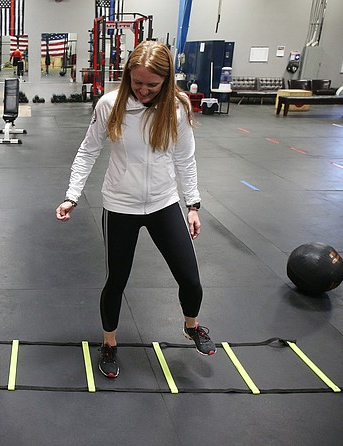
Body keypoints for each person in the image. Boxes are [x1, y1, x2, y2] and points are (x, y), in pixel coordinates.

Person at [55, 41, 215, 379]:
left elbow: (185, 159)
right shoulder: (110, 105)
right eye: (137, 82)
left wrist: (193, 204)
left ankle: (191, 325)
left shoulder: (178, 107)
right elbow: (88, 152)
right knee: (117, 280)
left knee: (190, 278)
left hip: (163, 203)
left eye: (152, 85)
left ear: (167, 80)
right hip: (120, 206)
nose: (143, 90)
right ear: (128, 76)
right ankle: (110, 343)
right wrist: (72, 195)